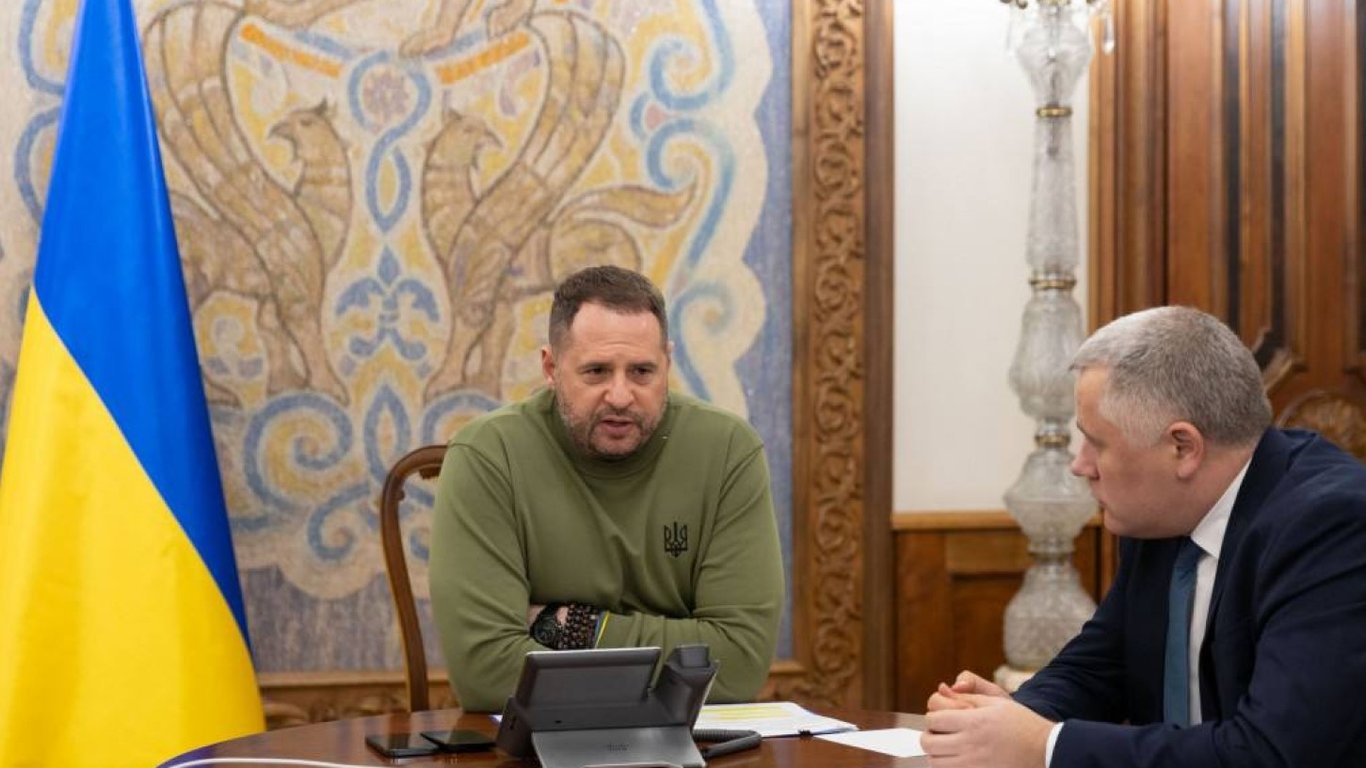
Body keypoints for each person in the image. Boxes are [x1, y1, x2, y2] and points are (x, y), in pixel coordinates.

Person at [922, 306, 1366, 768]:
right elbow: (1099, 666)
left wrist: (1044, 745)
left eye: (1097, 442)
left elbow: (1271, 753)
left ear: (1182, 448)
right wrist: (1007, 717)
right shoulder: (1161, 514)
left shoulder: (1332, 526)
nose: (1080, 465)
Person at [429, 265, 784, 711]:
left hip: (693, 740)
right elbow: (485, 673)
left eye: (642, 372)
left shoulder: (729, 450)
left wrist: (573, 627)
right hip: (535, 743)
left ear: (667, 364)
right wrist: (679, 661)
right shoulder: (488, 456)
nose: (620, 395)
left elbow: (740, 663)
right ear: (551, 368)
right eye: (596, 371)